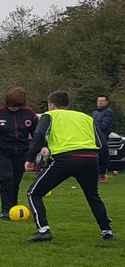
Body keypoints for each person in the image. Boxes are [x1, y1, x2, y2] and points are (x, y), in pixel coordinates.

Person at [23, 90, 113, 242]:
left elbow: (38, 135)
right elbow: (102, 145)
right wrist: (103, 170)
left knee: (34, 193)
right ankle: (106, 231)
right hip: (90, 158)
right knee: (93, 196)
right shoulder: (86, 117)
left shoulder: (50, 115)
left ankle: (43, 230)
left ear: (51, 104)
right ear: (67, 104)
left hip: (66, 158)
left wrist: (30, 158)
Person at [0, 87, 37, 220]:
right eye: (11, 105)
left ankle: (13, 209)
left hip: (20, 153)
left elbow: (36, 133)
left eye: (16, 106)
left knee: (15, 181)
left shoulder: (29, 113)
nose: (13, 108)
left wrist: (42, 146)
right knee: (7, 178)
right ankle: (5, 210)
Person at [93, 95, 116, 182]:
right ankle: (96, 174)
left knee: (102, 156)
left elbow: (104, 126)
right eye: (98, 101)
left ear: (106, 102)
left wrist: (94, 127)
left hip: (102, 137)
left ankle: (102, 174)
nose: (100, 102)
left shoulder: (108, 112)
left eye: (102, 101)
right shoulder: (95, 113)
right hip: (94, 137)